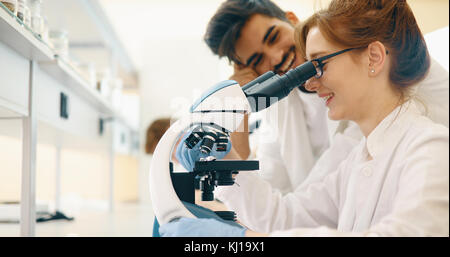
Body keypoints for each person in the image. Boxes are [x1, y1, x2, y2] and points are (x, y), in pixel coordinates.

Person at [160, 0, 449, 236]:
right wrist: (224, 160)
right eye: (257, 60)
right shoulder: (356, 162)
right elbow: (282, 215)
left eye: (319, 64)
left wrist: (246, 240)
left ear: (373, 57)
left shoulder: (431, 147)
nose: (310, 81)